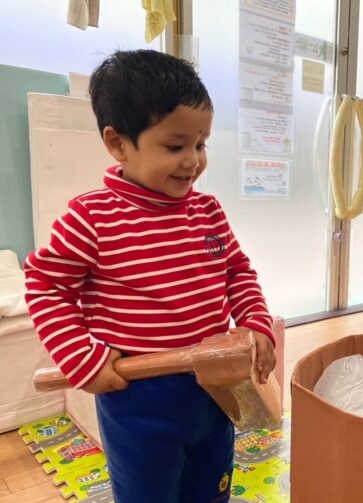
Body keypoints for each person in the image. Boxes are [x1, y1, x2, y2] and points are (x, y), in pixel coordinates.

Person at [24, 50, 276, 503]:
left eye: (201, 145)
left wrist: (255, 322)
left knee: (211, 486)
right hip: (138, 397)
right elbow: (46, 284)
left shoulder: (207, 211)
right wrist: (81, 356)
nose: (193, 161)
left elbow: (237, 271)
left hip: (215, 387)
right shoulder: (92, 217)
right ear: (118, 143)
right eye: (175, 146)